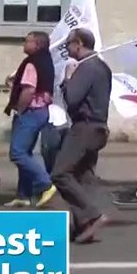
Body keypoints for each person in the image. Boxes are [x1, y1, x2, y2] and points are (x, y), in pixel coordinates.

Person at [53, 28, 112, 243]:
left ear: (78, 43)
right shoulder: (102, 66)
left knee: (60, 173)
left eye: (69, 44)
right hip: (98, 127)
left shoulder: (86, 67)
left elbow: (74, 98)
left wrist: (68, 79)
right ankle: (83, 225)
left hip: (84, 127)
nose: (67, 48)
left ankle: (93, 215)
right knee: (82, 175)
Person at [3, 31, 57, 208]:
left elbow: (29, 90)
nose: (24, 44)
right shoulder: (46, 61)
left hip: (31, 112)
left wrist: (19, 109)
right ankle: (23, 194)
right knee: (25, 152)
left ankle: (46, 184)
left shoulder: (32, 63)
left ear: (37, 45)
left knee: (17, 153)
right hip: (42, 110)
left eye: (27, 41)